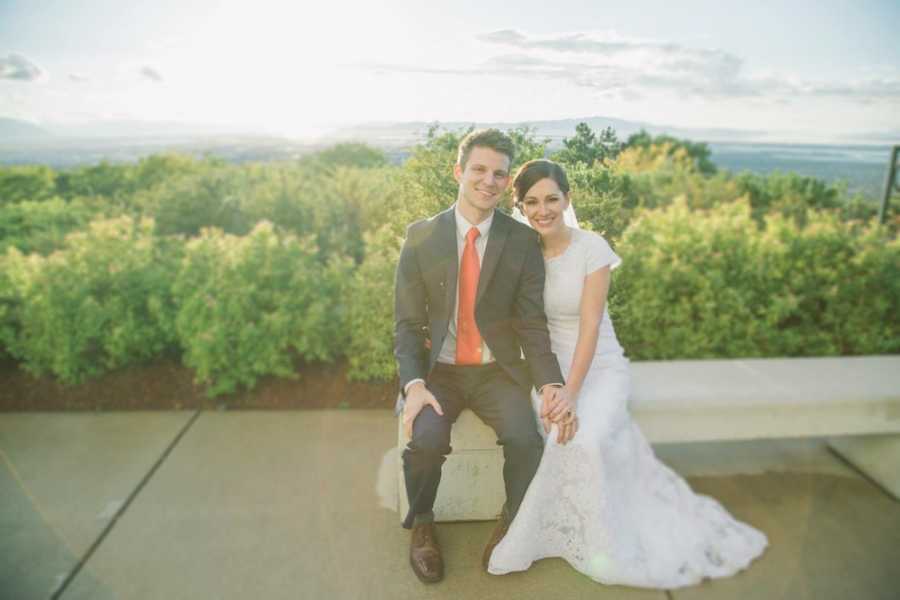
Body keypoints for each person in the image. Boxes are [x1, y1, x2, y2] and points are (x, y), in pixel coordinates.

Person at [487, 159, 768, 588]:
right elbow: (521, 325)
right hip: (547, 368)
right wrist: (551, 388)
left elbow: (590, 326)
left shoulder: (592, 249)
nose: (542, 210)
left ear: (567, 199)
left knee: (590, 437)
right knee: (558, 433)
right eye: (531, 202)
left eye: (551, 199)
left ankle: (601, 537)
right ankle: (564, 534)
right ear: (520, 206)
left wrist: (572, 393)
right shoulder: (520, 255)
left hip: (597, 365)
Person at [394, 131, 575, 584]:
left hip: (497, 372)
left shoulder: (521, 241)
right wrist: (414, 385)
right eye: (478, 169)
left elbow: (532, 324)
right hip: (441, 373)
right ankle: (422, 524)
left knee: (526, 439)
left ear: (506, 179)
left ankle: (511, 518)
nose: (488, 180)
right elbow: (407, 325)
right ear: (458, 172)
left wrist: (551, 383)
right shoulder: (422, 237)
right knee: (426, 441)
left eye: (498, 173)